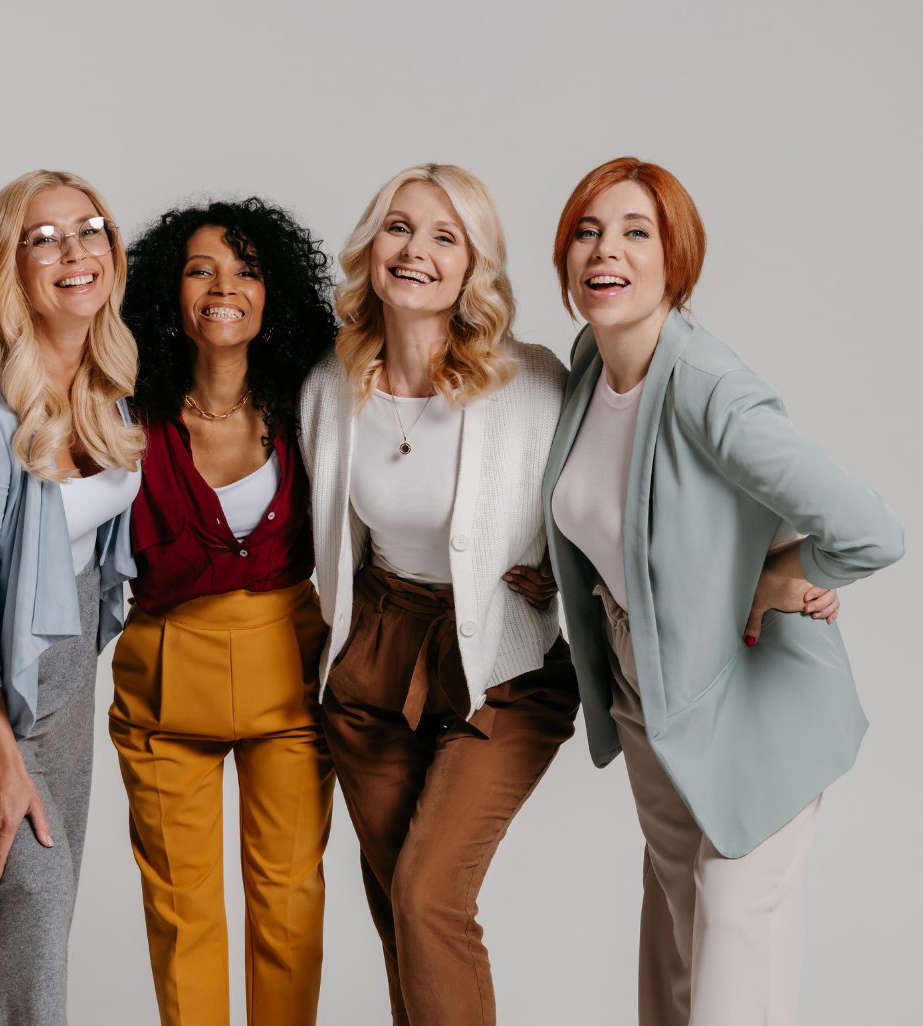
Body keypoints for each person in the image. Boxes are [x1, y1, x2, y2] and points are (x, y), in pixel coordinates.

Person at [543, 156, 904, 1026]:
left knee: (734, 949)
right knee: (681, 941)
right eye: (589, 229)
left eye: (638, 232)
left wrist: (785, 574)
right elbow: (604, 513)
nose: (607, 249)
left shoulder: (712, 392)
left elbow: (872, 531)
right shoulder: (593, 360)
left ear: (678, 260)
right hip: (653, 697)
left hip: (753, 696)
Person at [296, 163, 580, 1025]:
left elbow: (601, 503)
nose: (415, 250)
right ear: (371, 249)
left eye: (444, 236)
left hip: (501, 667)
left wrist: (561, 579)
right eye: (398, 228)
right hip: (373, 665)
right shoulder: (327, 388)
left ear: (472, 269)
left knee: (427, 896)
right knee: (398, 914)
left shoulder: (532, 383)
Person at [0, 170, 144, 1026]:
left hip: (68, 663)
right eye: (44, 238)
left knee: (1, 896)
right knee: (34, 894)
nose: (75, 251)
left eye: (89, 230)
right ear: (10, 268)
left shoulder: (111, 379)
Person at [109, 198, 337, 1026]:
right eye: (200, 268)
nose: (223, 286)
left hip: (290, 673)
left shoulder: (316, 407)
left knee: (290, 904)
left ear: (274, 296)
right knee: (182, 914)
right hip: (165, 681)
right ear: (170, 294)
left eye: (245, 270)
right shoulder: (127, 410)